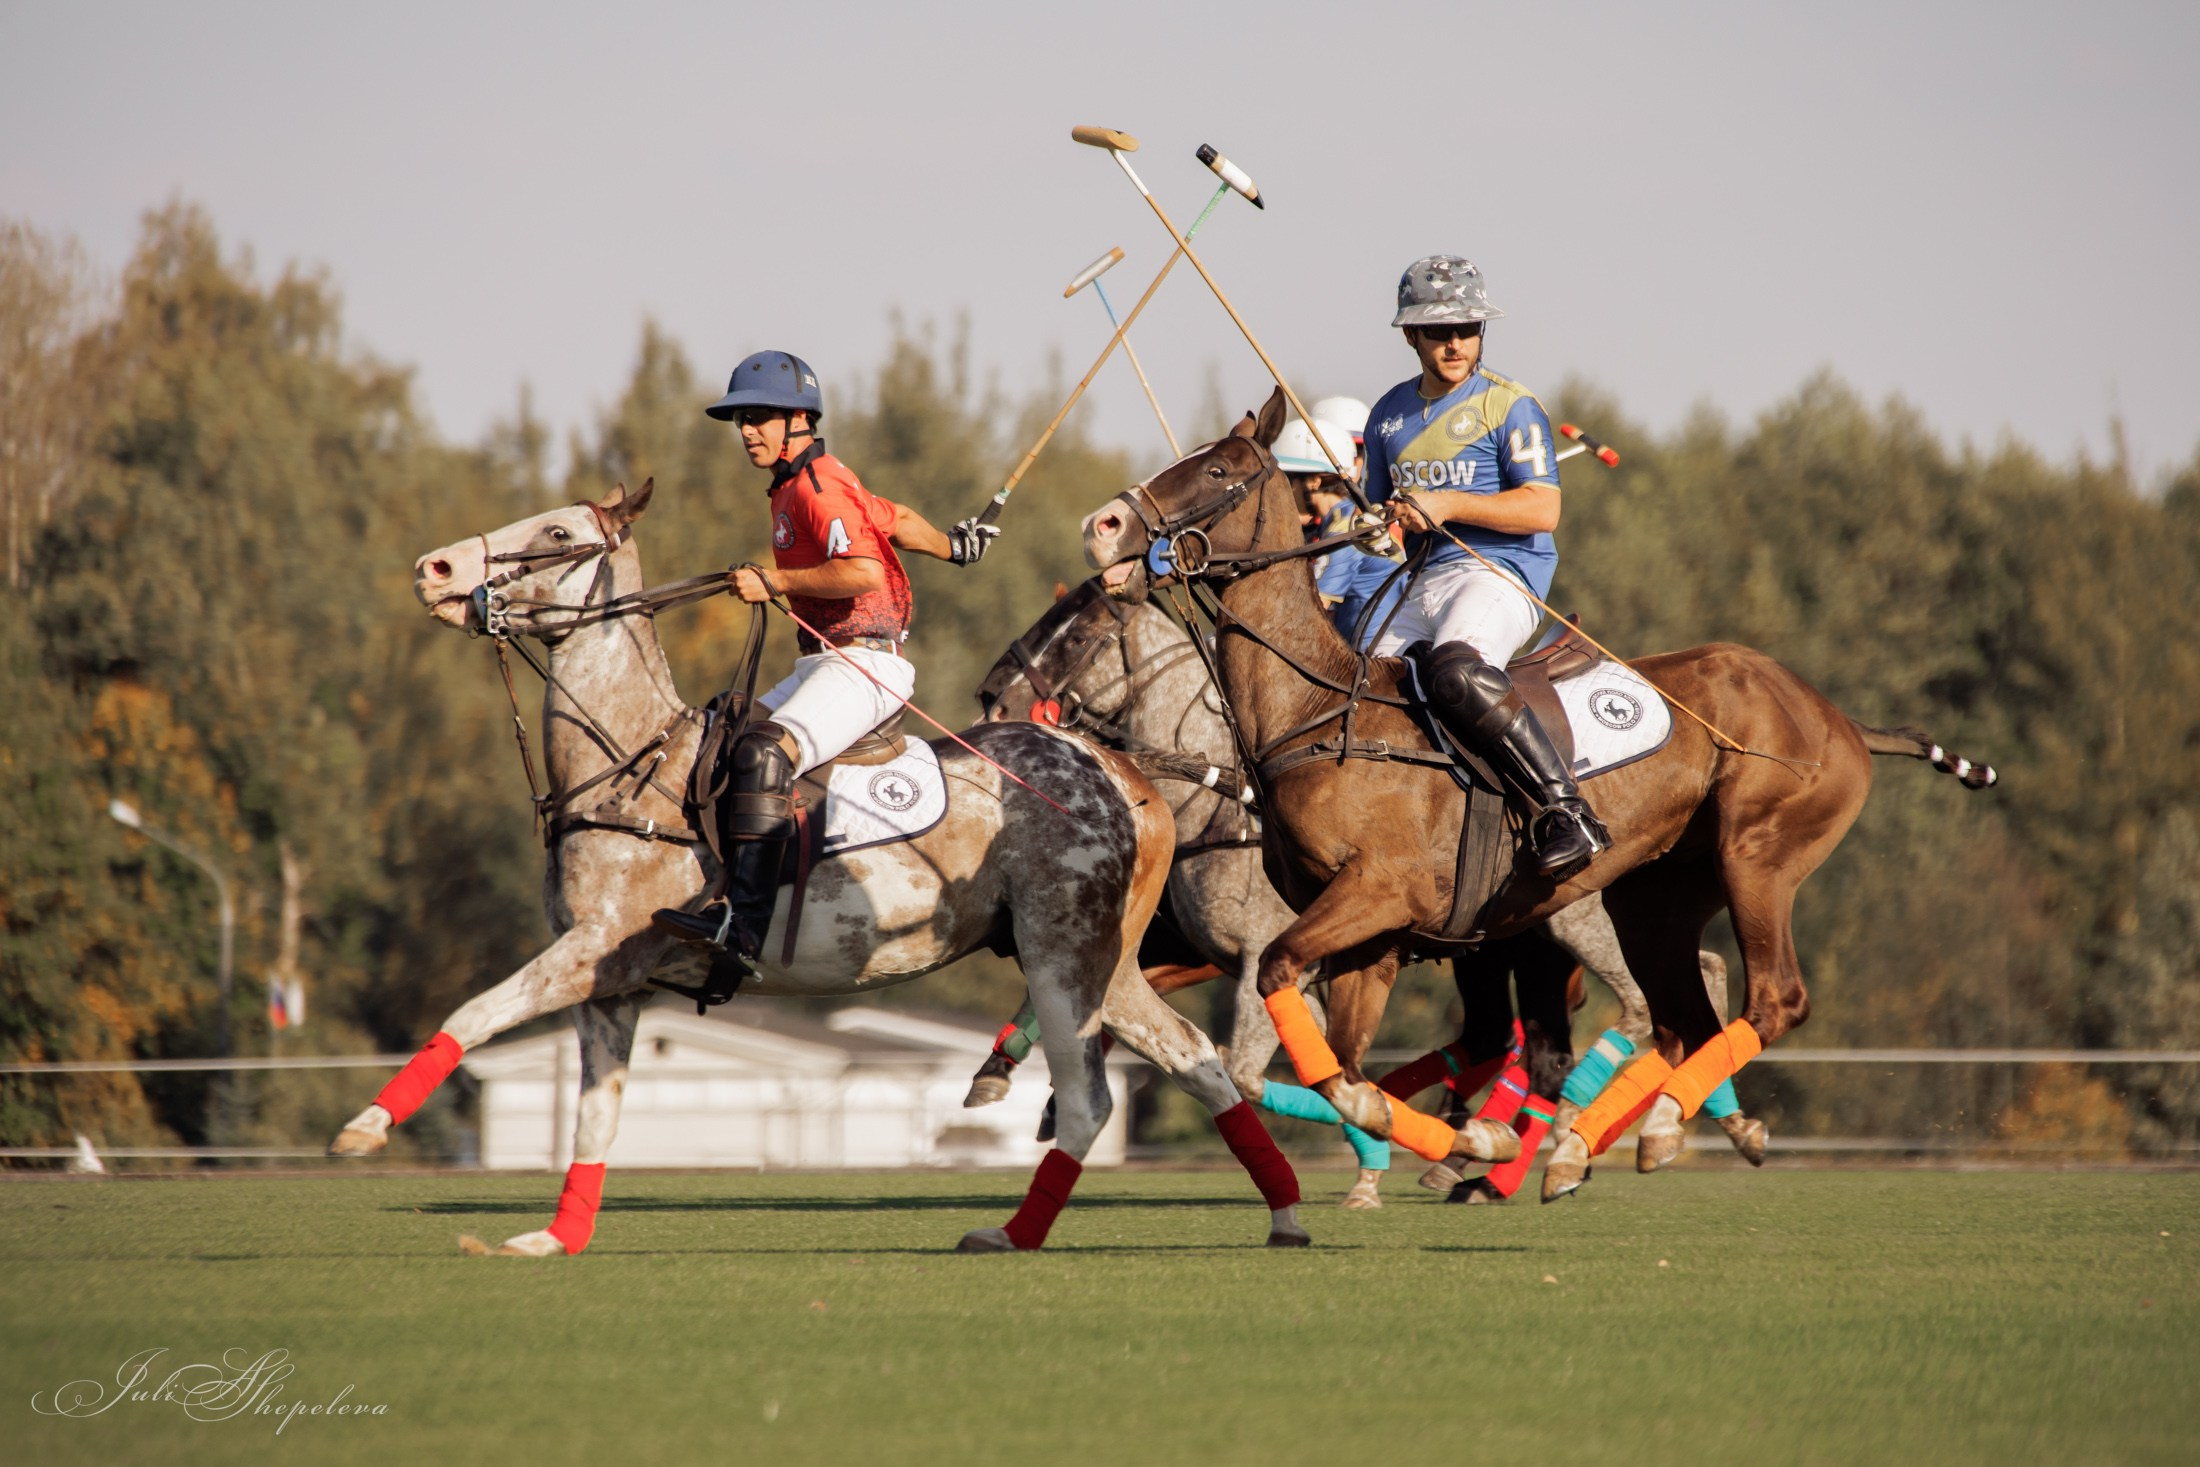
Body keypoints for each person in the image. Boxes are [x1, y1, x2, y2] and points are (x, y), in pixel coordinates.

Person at [653, 350, 997, 960]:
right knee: (723, 730)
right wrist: (955, 547)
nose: (747, 432)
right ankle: (712, 889)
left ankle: (746, 927)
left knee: (763, 750)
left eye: (759, 417)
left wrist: (775, 582)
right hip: (825, 661)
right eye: (741, 420)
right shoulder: (804, 484)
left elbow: (863, 571)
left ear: (798, 420)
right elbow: (899, 521)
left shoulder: (818, 486)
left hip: (866, 662)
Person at [1361, 257, 1609, 880]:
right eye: (1438, 331)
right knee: (1354, 689)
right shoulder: (1388, 414)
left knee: (1457, 670)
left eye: (1467, 329)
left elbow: (1543, 508)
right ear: (1409, 336)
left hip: (1499, 571)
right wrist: (1378, 528)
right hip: (1420, 579)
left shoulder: (1509, 405)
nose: (1454, 343)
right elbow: (1378, 509)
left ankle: (1566, 811)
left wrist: (1446, 504)